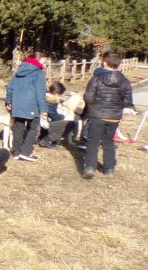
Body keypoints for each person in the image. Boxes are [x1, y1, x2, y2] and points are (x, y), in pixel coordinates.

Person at [82, 51, 136, 179]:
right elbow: (128, 100)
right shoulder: (125, 81)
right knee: (108, 142)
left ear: (104, 62)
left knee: (93, 141)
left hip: (97, 115)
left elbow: (88, 97)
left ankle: (90, 167)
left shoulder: (96, 78)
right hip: (114, 116)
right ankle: (109, 169)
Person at [5, 53, 48, 162]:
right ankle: (26, 152)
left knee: (18, 127)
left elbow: (10, 88)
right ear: (36, 61)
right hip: (32, 105)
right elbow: (40, 93)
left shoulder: (19, 71)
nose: (46, 65)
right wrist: (43, 109)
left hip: (18, 105)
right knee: (34, 128)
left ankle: (16, 152)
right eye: (44, 62)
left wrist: (9, 101)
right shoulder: (38, 73)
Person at [38, 82, 78, 149]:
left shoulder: (42, 97)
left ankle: (45, 138)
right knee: (72, 124)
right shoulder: (50, 101)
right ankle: (47, 140)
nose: (61, 97)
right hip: (42, 126)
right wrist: (63, 116)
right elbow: (54, 116)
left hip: (37, 125)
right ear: (56, 94)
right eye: (61, 95)